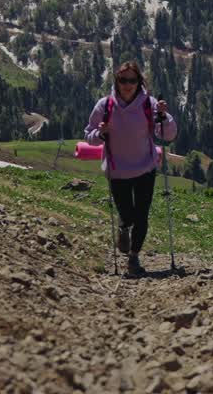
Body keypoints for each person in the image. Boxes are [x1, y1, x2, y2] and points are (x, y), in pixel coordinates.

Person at [83, 61, 177, 276]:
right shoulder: (104, 106)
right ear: (116, 81)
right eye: (123, 80)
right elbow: (89, 135)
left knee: (142, 215)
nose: (127, 85)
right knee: (127, 214)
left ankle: (133, 258)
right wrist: (100, 133)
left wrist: (165, 117)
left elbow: (168, 135)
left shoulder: (149, 104)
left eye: (132, 80)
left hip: (146, 167)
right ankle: (124, 228)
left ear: (139, 82)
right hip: (118, 170)